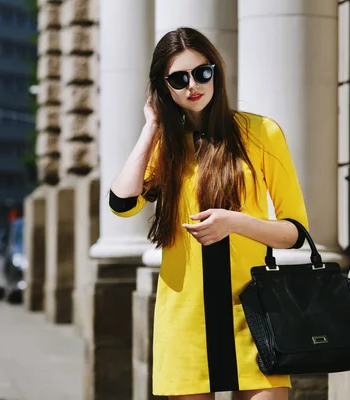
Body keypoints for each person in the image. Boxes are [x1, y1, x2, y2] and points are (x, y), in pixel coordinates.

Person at [109, 27, 309, 400]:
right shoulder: (165, 147)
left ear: (216, 71)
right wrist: (151, 126)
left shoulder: (261, 133)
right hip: (185, 323)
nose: (193, 86)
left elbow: (295, 233)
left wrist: (234, 222)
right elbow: (121, 204)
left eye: (202, 72)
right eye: (178, 79)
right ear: (163, 86)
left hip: (255, 317)